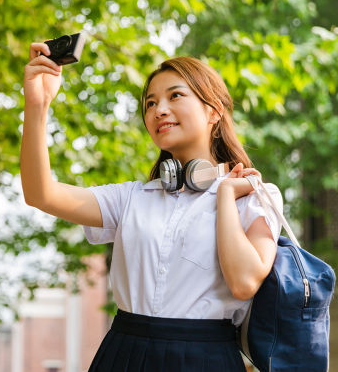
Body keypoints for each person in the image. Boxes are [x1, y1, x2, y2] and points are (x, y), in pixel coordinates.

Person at [20, 41, 284, 371]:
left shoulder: (257, 195)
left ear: (213, 111)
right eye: (150, 103)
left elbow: (244, 283)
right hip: (123, 354)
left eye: (175, 96)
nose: (158, 109)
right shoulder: (131, 198)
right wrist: (37, 105)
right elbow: (40, 193)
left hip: (205, 359)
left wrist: (226, 195)